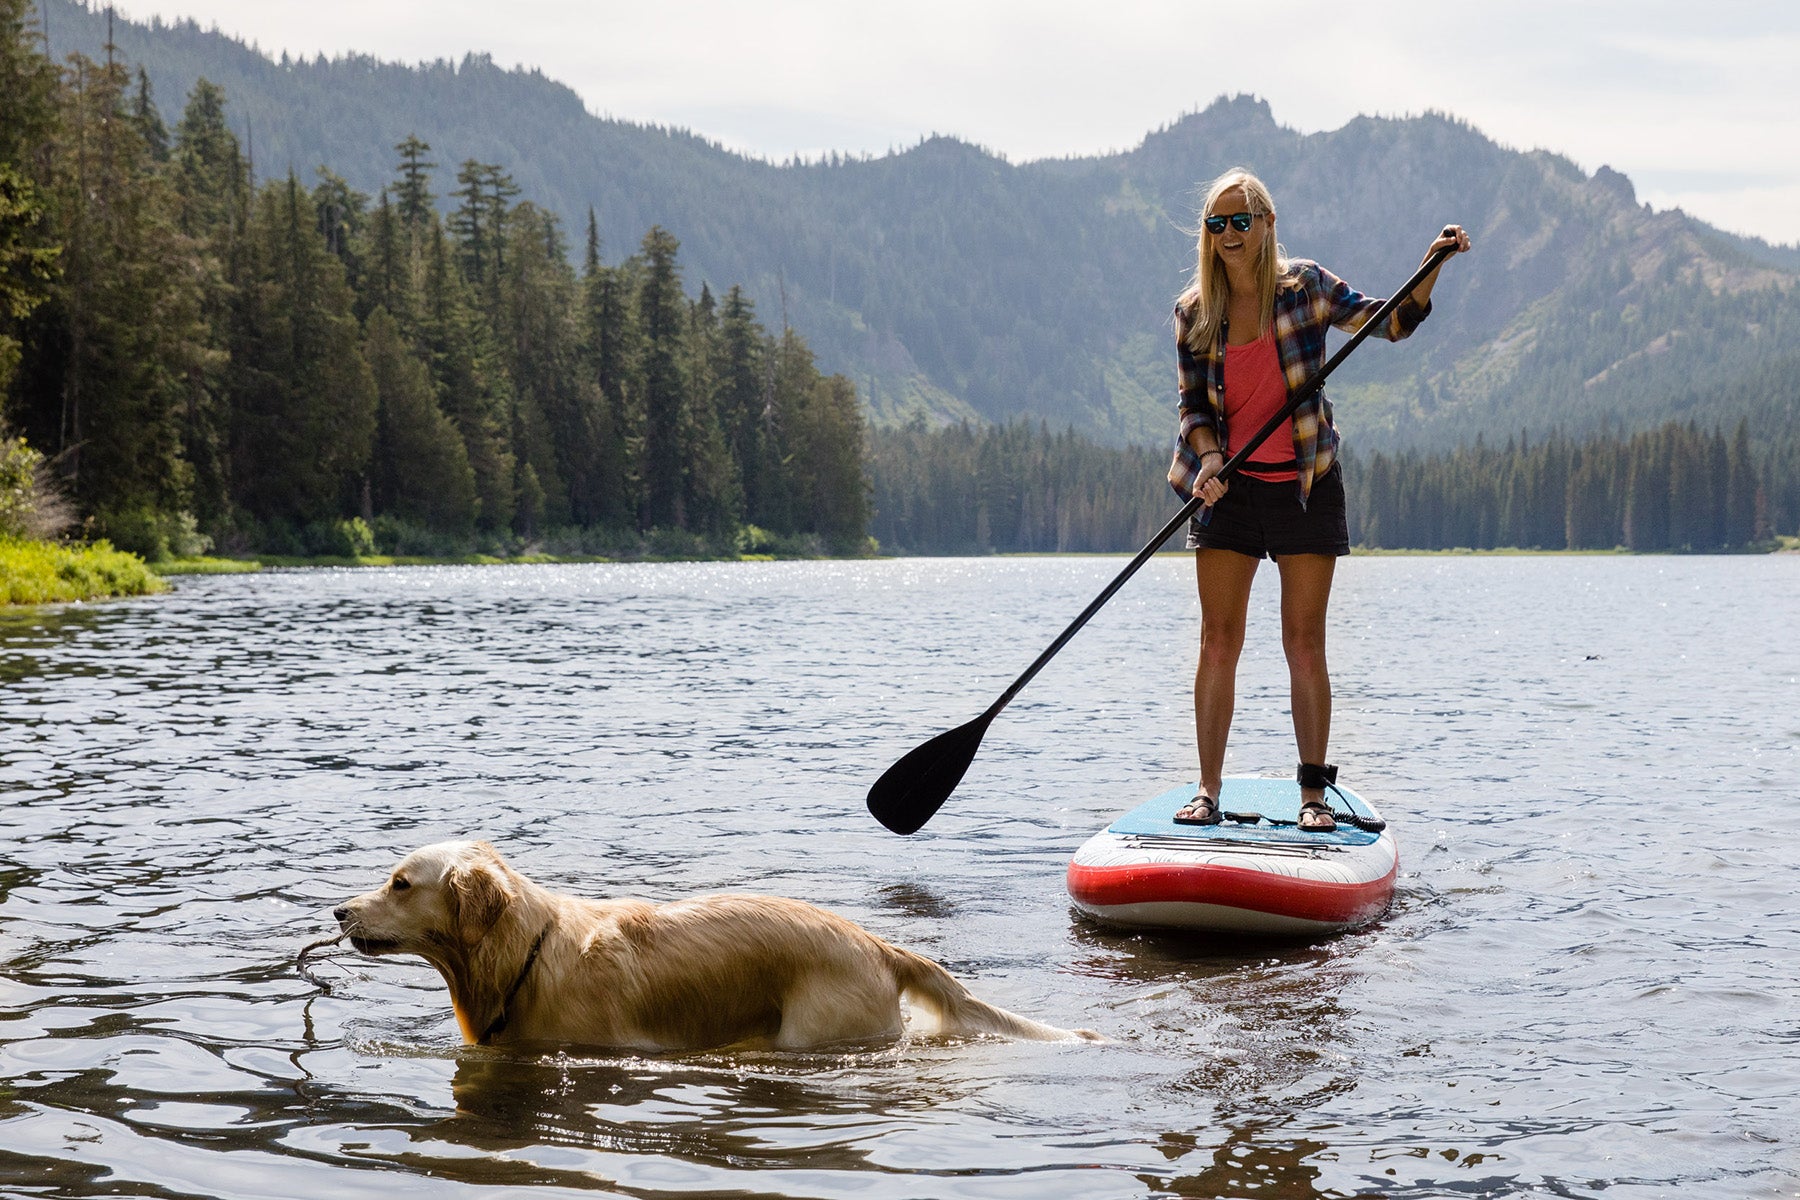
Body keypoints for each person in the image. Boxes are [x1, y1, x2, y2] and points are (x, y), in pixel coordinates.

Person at [1167, 168, 1468, 831]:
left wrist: (1431, 266)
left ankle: (1312, 796)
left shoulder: (1306, 289)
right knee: (1219, 641)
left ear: (1267, 224)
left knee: (1304, 642)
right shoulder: (1194, 311)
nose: (1227, 235)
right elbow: (1192, 409)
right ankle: (1207, 790)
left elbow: (1388, 324)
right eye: (1215, 224)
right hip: (1230, 493)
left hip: (1306, 485)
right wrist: (1210, 459)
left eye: (1239, 221)